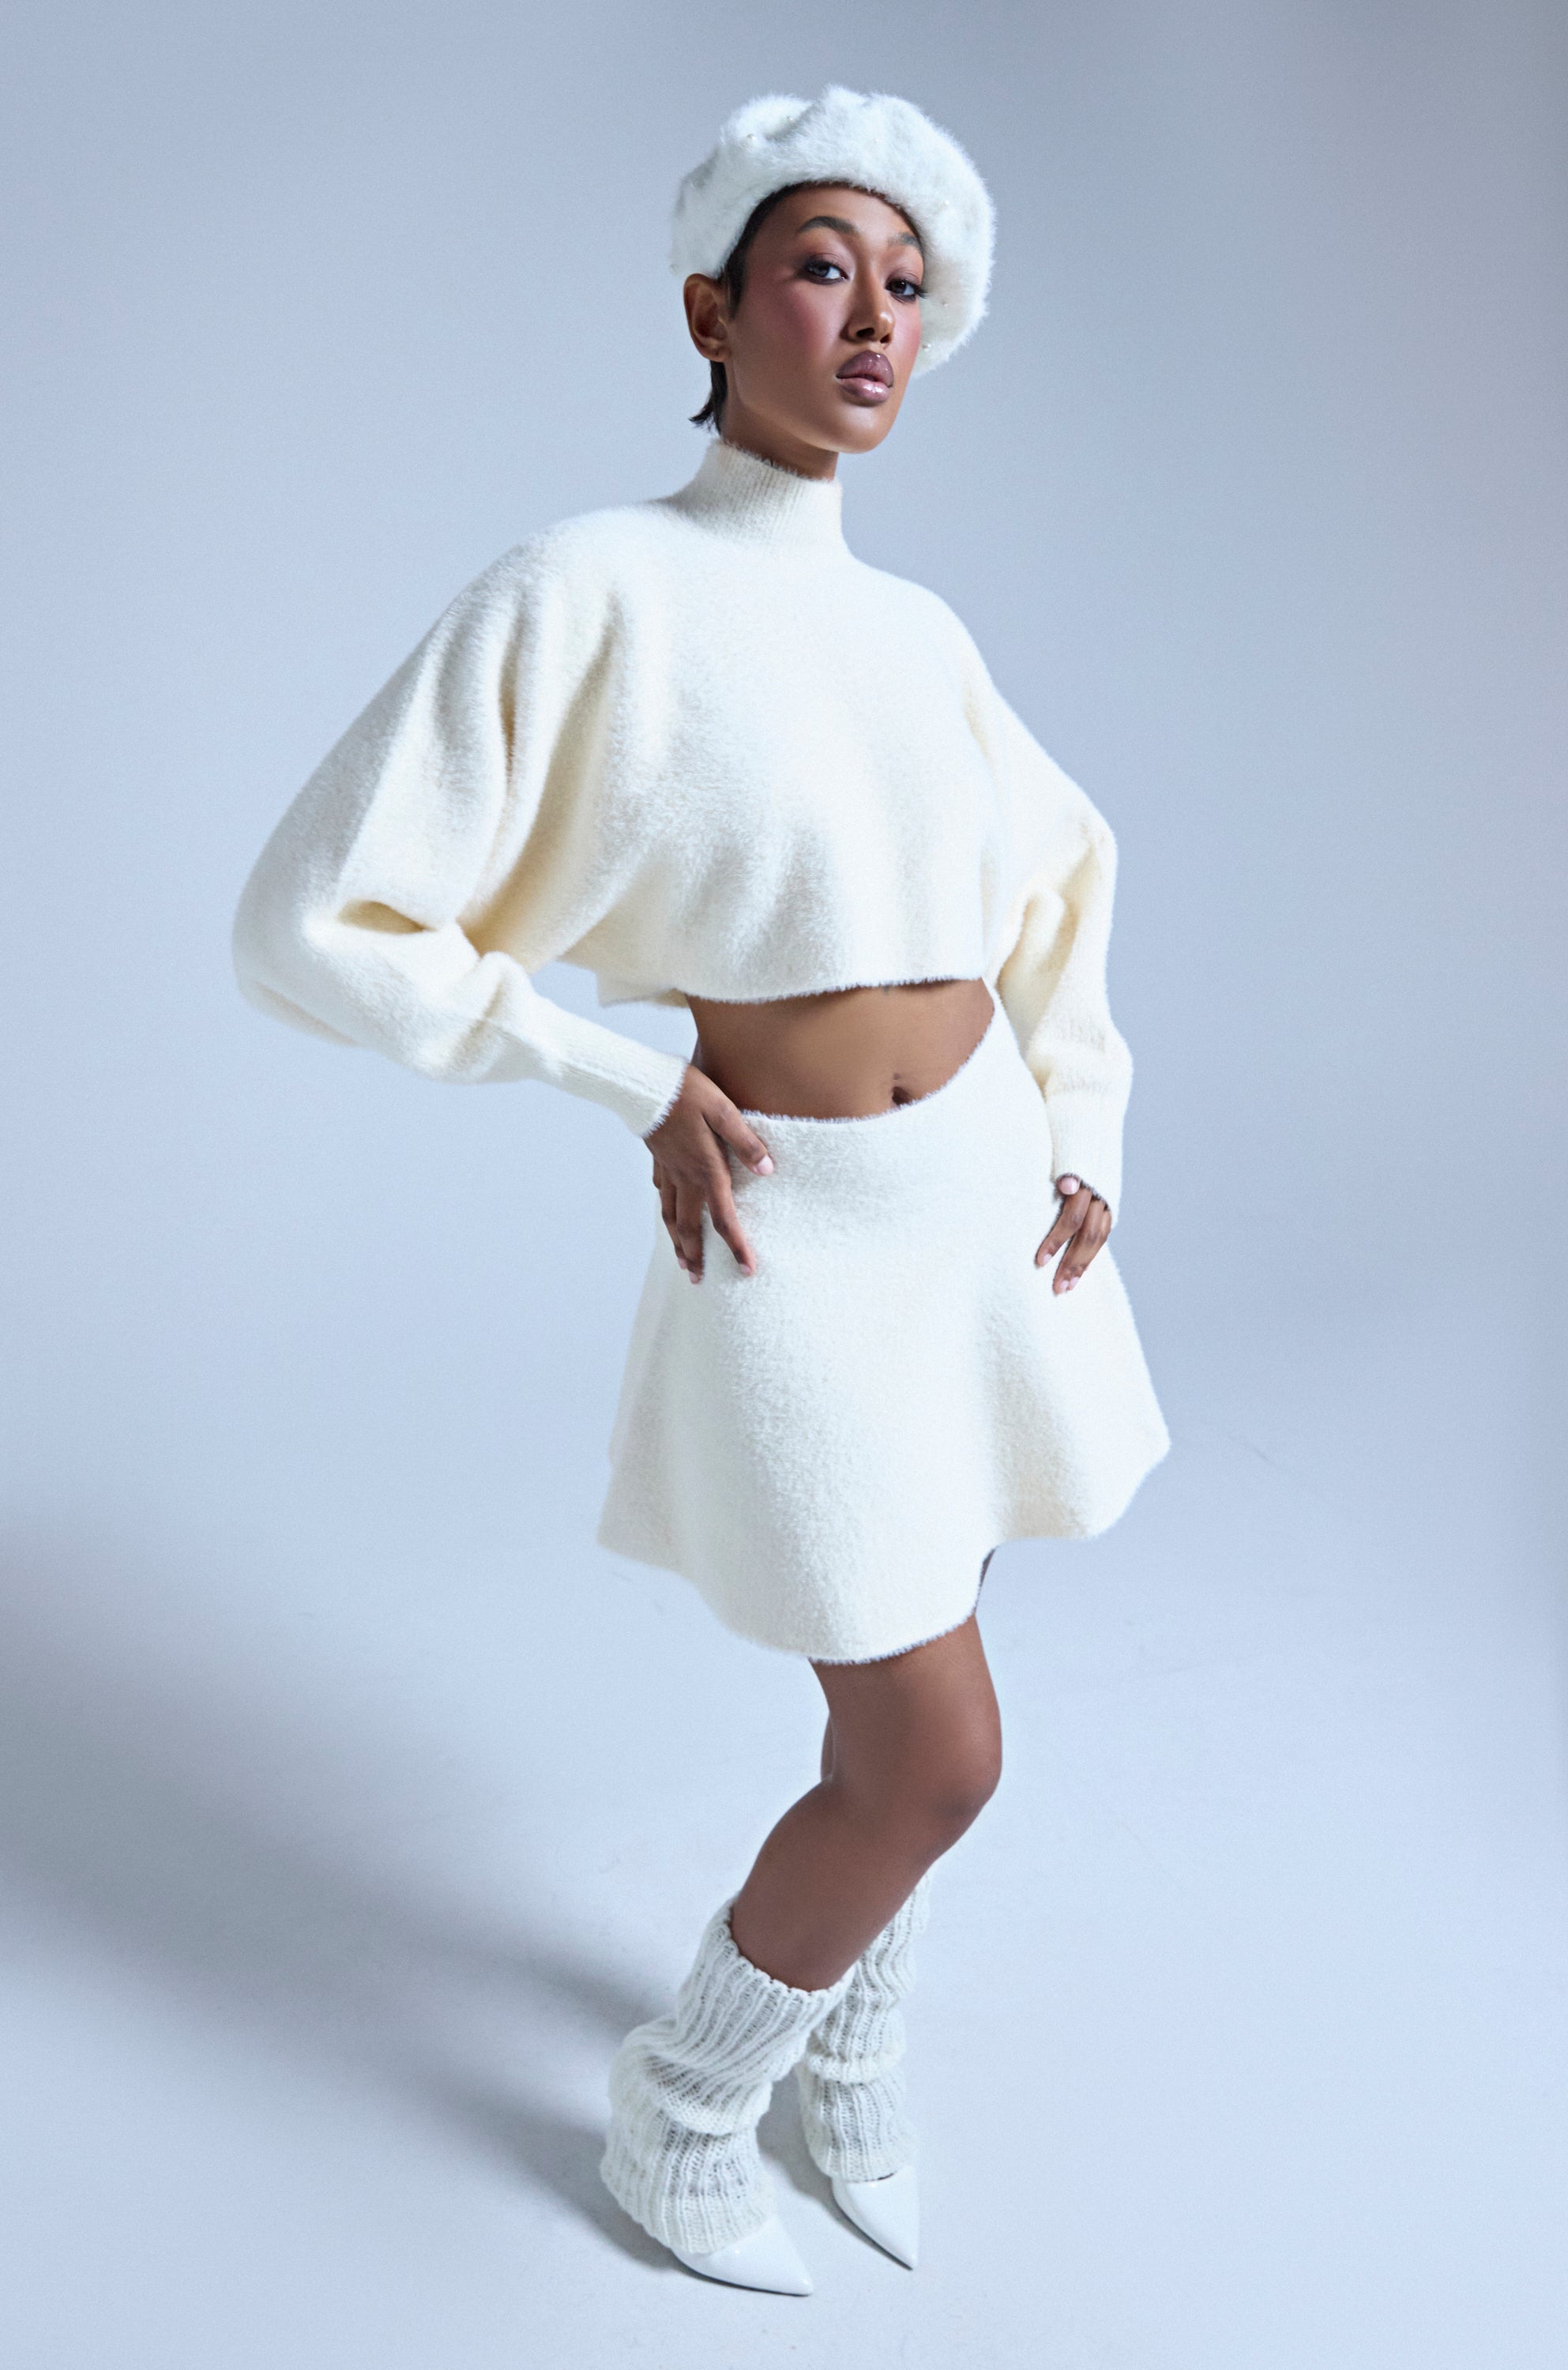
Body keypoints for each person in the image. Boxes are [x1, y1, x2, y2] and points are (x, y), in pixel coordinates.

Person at [232, 85, 1170, 2295]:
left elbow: (1060, 890)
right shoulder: (592, 588)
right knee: (935, 1758)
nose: (871, 322)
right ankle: (683, 2102)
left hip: (975, 1219)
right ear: (712, 302)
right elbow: (311, 917)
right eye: (823, 267)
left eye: (906, 289)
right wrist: (597, 1065)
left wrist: (1083, 1129)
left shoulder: (916, 632)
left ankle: (852, 2053)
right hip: (796, 1231)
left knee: (892, 1703)